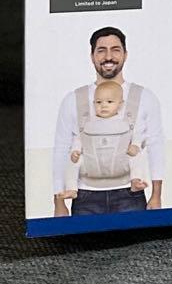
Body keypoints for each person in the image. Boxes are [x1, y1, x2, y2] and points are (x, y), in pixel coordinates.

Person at [52, 27, 165, 217]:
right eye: (101, 50)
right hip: (85, 196)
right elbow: (61, 149)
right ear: (92, 56)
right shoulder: (73, 99)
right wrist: (58, 202)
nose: (108, 57)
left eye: (115, 49)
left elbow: (156, 146)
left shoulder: (144, 97)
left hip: (131, 194)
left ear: (125, 54)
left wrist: (156, 195)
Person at [60, 80, 151, 199]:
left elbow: (138, 134)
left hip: (121, 164)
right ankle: (71, 189)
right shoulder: (88, 122)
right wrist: (75, 151)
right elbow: (79, 138)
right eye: (99, 102)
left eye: (109, 102)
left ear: (120, 104)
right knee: (73, 162)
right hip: (90, 166)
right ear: (93, 103)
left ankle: (136, 180)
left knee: (136, 156)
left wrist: (136, 145)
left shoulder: (126, 122)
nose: (103, 105)